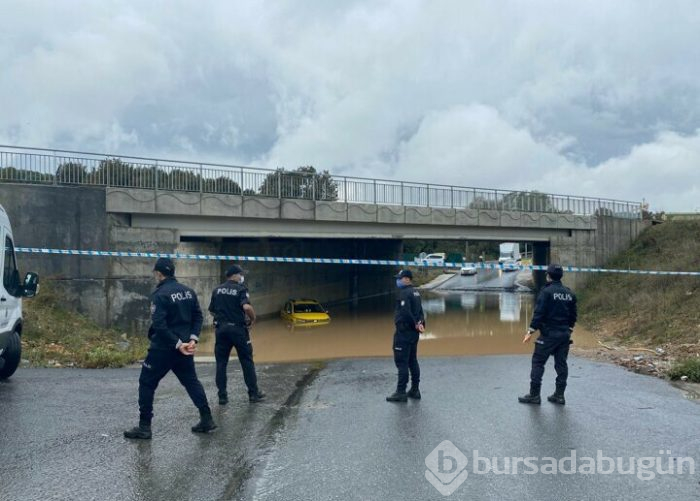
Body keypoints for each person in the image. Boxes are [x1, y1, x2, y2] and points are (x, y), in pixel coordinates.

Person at [124, 258, 216, 440]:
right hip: (184, 348)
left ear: (159, 273)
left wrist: (177, 344)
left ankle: (144, 427)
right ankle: (206, 418)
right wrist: (192, 339)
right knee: (191, 382)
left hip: (163, 349)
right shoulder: (188, 292)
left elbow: (159, 324)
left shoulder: (160, 294)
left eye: (155, 273)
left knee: (147, 383)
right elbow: (198, 316)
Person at [519, 263, 577, 405]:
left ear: (548, 276)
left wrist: (530, 331)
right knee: (561, 364)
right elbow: (573, 316)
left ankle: (534, 395)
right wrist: (569, 330)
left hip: (548, 335)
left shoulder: (546, 292)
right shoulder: (569, 293)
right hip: (564, 335)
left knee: (538, 362)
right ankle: (559, 395)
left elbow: (539, 313)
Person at [208, 264, 265, 405]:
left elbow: (211, 311)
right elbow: (246, 306)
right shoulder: (241, 289)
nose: (242, 277)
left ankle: (222, 396)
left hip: (221, 330)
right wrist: (253, 319)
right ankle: (253, 394)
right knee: (246, 361)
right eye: (240, 274)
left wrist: (222, 317)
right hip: (238, 330)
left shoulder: (217, 290)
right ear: (235, 275)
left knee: (221, 363)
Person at [386, 269, 425, 403]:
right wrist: (420, 323)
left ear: (407, 279)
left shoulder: (404, 293)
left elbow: (405, 312)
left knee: (402, 362)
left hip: (404, 333)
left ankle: (401, 392)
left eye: (400, 278)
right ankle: (415, 389)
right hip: (413, 334)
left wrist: (414, 323)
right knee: (412, 360)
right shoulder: (416, 293)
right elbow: (420, 312)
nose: (397, 281)